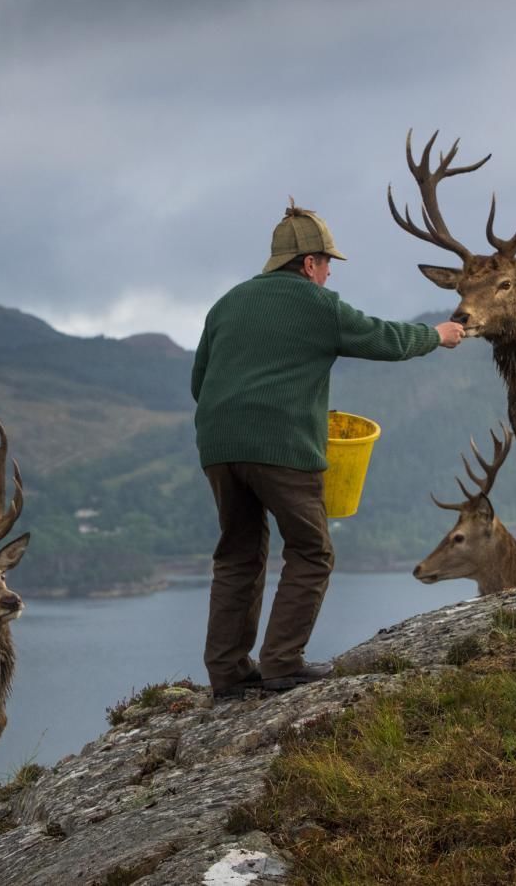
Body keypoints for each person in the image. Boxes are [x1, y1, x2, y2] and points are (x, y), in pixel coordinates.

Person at [191, 199, 465, 699]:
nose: (329, 276)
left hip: (218, 445)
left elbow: (199, 381)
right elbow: (384, 338)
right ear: (310, 263)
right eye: (328, 266)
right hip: (281, 446)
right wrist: (437, 335)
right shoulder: (317, 305)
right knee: (312, 550)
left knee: (238, 554)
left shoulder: (227, 303)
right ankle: (282, 664)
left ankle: (228, 674)